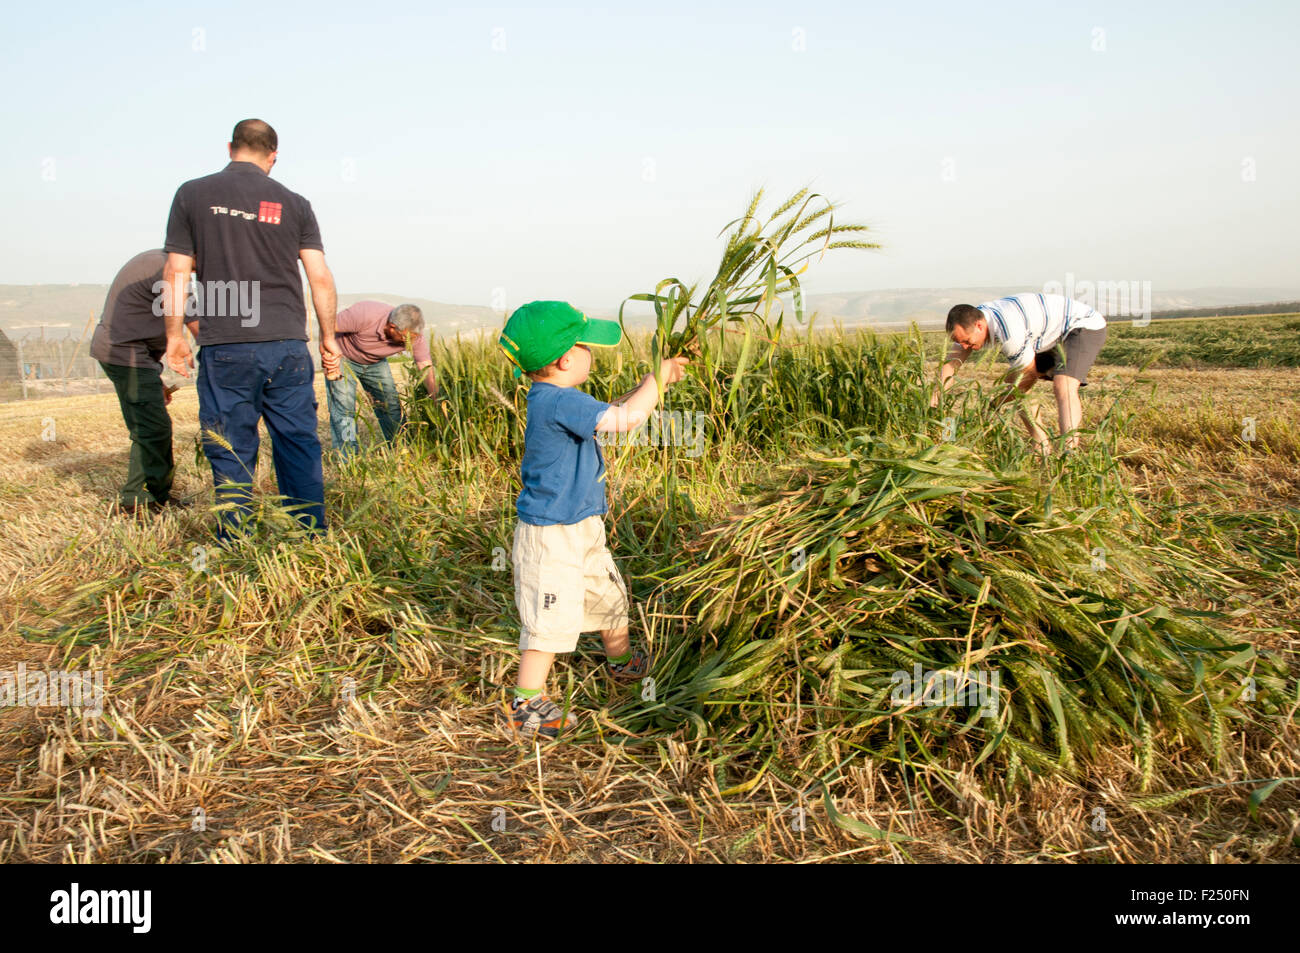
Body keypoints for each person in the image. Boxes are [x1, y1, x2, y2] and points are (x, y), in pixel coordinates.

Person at [497, 300, 689, 740]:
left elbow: (611, 410)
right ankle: (525, 704)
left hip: (580, 525)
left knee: (609, 595)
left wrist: (649, 382)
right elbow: (628, 419)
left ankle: (620, 662)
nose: (592, 353)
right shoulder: (557, 400)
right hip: (551, 536)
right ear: (566, 359)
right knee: (548, 622)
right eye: (586, 346)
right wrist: (656, 382)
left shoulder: (558, 398)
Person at [160, 118, 342, 536]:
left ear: (230, 148)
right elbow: (320, 276)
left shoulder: (192, 194)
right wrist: (328, 338)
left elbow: (176, 270)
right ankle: (309, 535)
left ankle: (236, 542)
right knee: (298, 442)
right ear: (273, 156)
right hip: (288, 345)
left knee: (231, 447)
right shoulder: (295, 203)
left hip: (227, 343)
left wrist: (174, 337)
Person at [933, 293, 1109, 453]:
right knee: (1019, 391)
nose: (964, 347)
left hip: (1081, 325)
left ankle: (1069, 454)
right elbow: (951, 365)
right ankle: (1041, 446)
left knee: (1063, 385)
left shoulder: (1008, 332)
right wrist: (935, 400)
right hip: (1045, 336)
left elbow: (1026, 376)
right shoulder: (970, 322)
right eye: (960, 342)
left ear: (979, 325)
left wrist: (995, 403)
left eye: (967, 342)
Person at [89, 249, 194, 514]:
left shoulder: (162, 262)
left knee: (149, 423)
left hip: (133, 355)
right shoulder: (166, 267)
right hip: (126, 354)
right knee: (151, 427)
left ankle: (155, 495)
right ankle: (137, 501)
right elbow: (193, 319)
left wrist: (154, 378)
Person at [327, 301, 438, 457]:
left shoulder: (414, 337)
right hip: (343, 357)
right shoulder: (365, 314)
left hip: (375, 363)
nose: (409, 343)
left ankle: (401, 450)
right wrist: (328, 353)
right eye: (405, 338)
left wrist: (437, 401)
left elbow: (426, 367)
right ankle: (348, 458)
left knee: (391, 406)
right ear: (392, 327)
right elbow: (328, 325)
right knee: (344, 410)